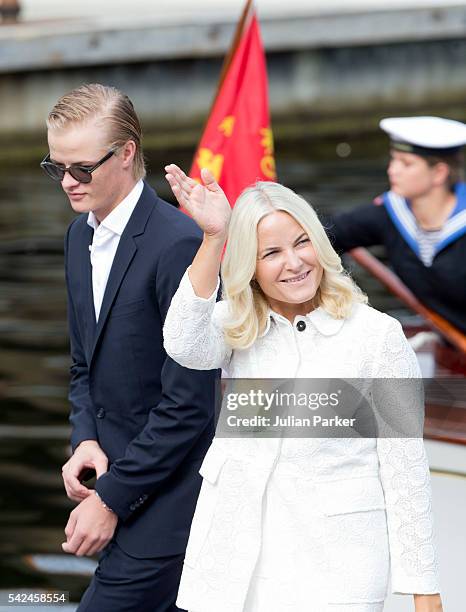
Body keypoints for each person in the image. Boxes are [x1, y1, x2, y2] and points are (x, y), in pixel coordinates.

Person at [162, 164, 443, 612]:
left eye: (301, 242)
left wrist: (423, 588)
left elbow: (405, 469)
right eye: (270, 252)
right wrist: (215, 238)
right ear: (249, 267)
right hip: (234, 569)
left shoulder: (378, 336)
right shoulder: (238, 326)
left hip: (337, 573)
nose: (293, 263)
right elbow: (183, 345)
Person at [41, 84, 217, 612]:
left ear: (127, 154)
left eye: (82, 169)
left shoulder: (179, 245)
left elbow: (190, 404)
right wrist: (86, 438)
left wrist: (112, 499)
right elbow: (82, 364)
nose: (68, 183)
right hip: (115, 479)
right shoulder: (78, 237)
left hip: (174, 497)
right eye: (56, 168)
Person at [326, 116, 466, 335]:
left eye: (406, 164)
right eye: (393, 160)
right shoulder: (390, 214)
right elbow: (324, 233)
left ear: (439, 173)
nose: (393, 170)